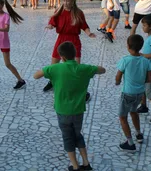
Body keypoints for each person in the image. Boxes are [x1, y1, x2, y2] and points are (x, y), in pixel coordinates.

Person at [33, 41, 105, 171]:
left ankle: (75, 166)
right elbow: (102, 70)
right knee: (77, 134)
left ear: (62, 57)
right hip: (78, 110)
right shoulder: (84, 68)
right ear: (75, 54)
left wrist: (49, 69)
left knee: (67, 137)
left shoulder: (56, 68)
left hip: (62, 110)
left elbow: (36, 75)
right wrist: (92, 68)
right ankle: (86, 163)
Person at [43, 0, 96, 97]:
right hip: (61, 39)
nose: (65, 3)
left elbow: (84, 26)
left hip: (74, 40)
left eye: (68, 1)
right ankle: (52, 82)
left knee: (75, 69)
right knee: (54, 65)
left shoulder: (78, 13)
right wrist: (50, 26)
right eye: (64, 0)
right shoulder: (59, 11)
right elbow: (52, 22)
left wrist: (89, 33)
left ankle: (83, 92)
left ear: (73, 1)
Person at [115, 34, 151, 152]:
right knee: (134, 112)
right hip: (139, 93)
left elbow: (118, 75)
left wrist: (117, 82)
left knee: (122, 117)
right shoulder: (145, 61)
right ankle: (138, 134)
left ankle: (130, 143)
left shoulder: (125, 60)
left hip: (127, 93)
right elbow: (148, 78)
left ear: (128, 47)